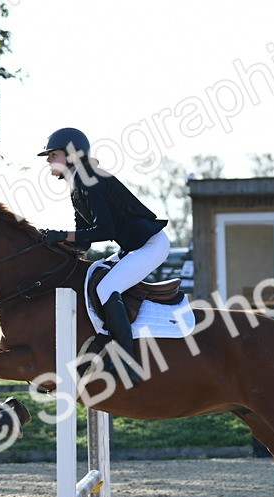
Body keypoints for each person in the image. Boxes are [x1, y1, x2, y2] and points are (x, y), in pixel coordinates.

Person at [37, 127, 169, 384]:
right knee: (91, 277)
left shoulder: (89, 179)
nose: (48, 159)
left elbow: (104, 230)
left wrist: (61, 234)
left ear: (72, 155)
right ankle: (101, 342)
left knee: (107, 286)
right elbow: (83, 239)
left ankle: (128, 361)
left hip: (151, 245)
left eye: (53, 154)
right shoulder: (78, 183)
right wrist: (51, 247)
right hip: (133, 246)